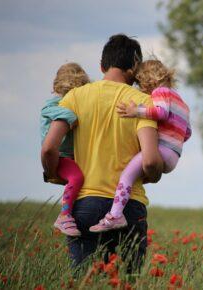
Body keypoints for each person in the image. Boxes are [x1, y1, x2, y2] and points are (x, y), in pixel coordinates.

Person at [41, 34, 164, 273]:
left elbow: (48, 148)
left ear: (101, 66)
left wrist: (53, 173)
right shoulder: (143, 103)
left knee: (85, 281)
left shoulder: (74, 97)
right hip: (129, 207)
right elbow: (149, 160)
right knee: (127, 283)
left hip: (84, 205)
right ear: (135, 68)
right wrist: (155, 173)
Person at [90, 59, 191, 232]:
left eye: (139, 83)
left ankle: (115, 216)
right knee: (136, 175)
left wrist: (136, 111)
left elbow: (161, 112)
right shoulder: (182, 103)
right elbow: (187, 132)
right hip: (174, 155)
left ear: (147, 80)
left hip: (162, 150)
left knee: (126, 176)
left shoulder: (161, 91)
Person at [40, 63, 89, 236]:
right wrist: (71, 116)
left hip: (69, 155)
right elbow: (49, 111)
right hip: (60, 156)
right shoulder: (54, 103)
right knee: (76, 177)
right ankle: (64, 215)